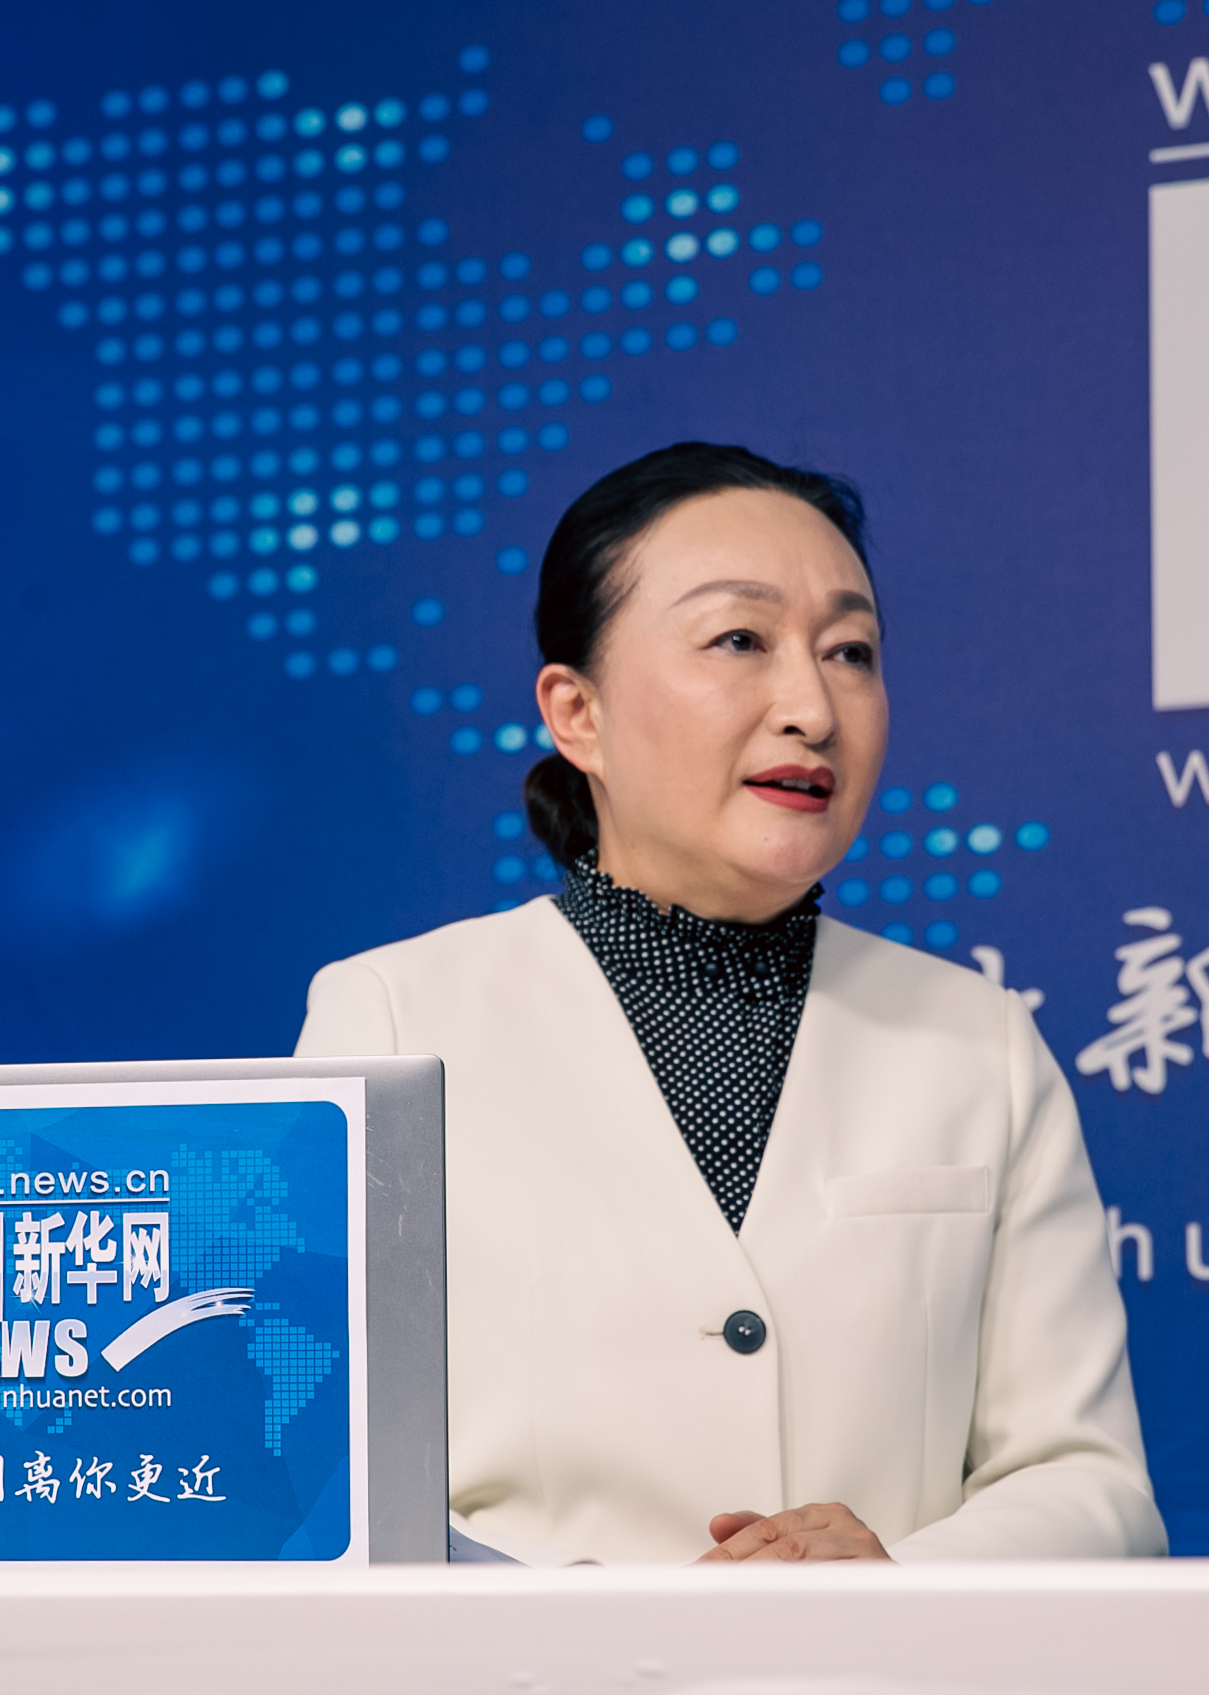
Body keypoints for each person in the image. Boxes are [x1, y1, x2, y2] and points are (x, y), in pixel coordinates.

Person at [295, 442, 1163, 1564]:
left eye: (850, 652)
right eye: (740, 640)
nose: (812, 706)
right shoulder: (395, 1019)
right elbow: (319, 1476)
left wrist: (895, 1579)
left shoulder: (975, 1041)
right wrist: (585, 1624)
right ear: (577, 712)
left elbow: (1090, 1485)